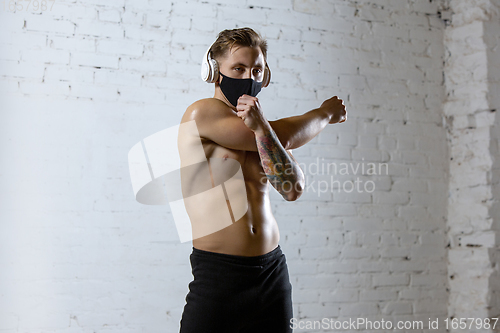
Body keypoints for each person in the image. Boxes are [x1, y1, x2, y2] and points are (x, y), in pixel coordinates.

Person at [178, 27, 346, 333]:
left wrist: (261, 128)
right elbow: (286, 134)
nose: (248, 78)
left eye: (256, 70)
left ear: (265, 76)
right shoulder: (202, 113)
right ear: (215, 72)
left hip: (271, 273)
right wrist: (324, 114)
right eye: (238, 69)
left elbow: (293, 189)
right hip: (220, 276)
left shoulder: (260, 129)